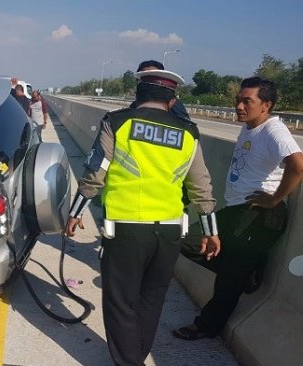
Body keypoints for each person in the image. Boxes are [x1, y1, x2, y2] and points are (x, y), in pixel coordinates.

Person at [65, 69, 220, 366]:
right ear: (173, 101)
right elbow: (202, 187)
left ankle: (129, 362)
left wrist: (76, 212)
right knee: (152, 299)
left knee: (121, 301)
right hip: (170, 232)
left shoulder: (118, 122)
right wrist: (211, 231)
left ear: (137, 96)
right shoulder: (188, 132)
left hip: (127, 229)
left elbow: (96, 173)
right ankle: (135, 355)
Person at [173, 77, 303, 341]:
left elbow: (298, 165)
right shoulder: (249, 127)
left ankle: (206, 326)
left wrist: (275, 199)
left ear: (266, 105)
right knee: (188, 242)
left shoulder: (273, 130)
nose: (239, 106)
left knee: (227, 281)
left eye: (247, 101)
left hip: (259, 214)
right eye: (238, 100)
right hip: (238, 211)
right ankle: (246, 273)